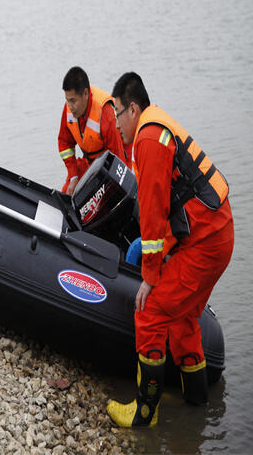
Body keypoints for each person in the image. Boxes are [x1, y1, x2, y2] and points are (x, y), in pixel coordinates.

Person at [107, 72, 233, 427]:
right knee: (183, 318)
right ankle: (196, 403)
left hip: (206, 242)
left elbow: (152, 214)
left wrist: (149, 276)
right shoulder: (157, 125)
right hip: (216, 233)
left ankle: (144, 412)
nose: (116, 124)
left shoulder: (148, 139)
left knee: (149, 310)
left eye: (118, 113)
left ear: (133, 108)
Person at [58, 66, 126, 195]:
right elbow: (64, 143)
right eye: (67, 100)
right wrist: (73, 177)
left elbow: (118, 161)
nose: (70, 107)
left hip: (113, 163)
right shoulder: (69, 108)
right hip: (89, 163)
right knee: (67, 193)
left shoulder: (105, 113)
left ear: (85, 94)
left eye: (73, 101)